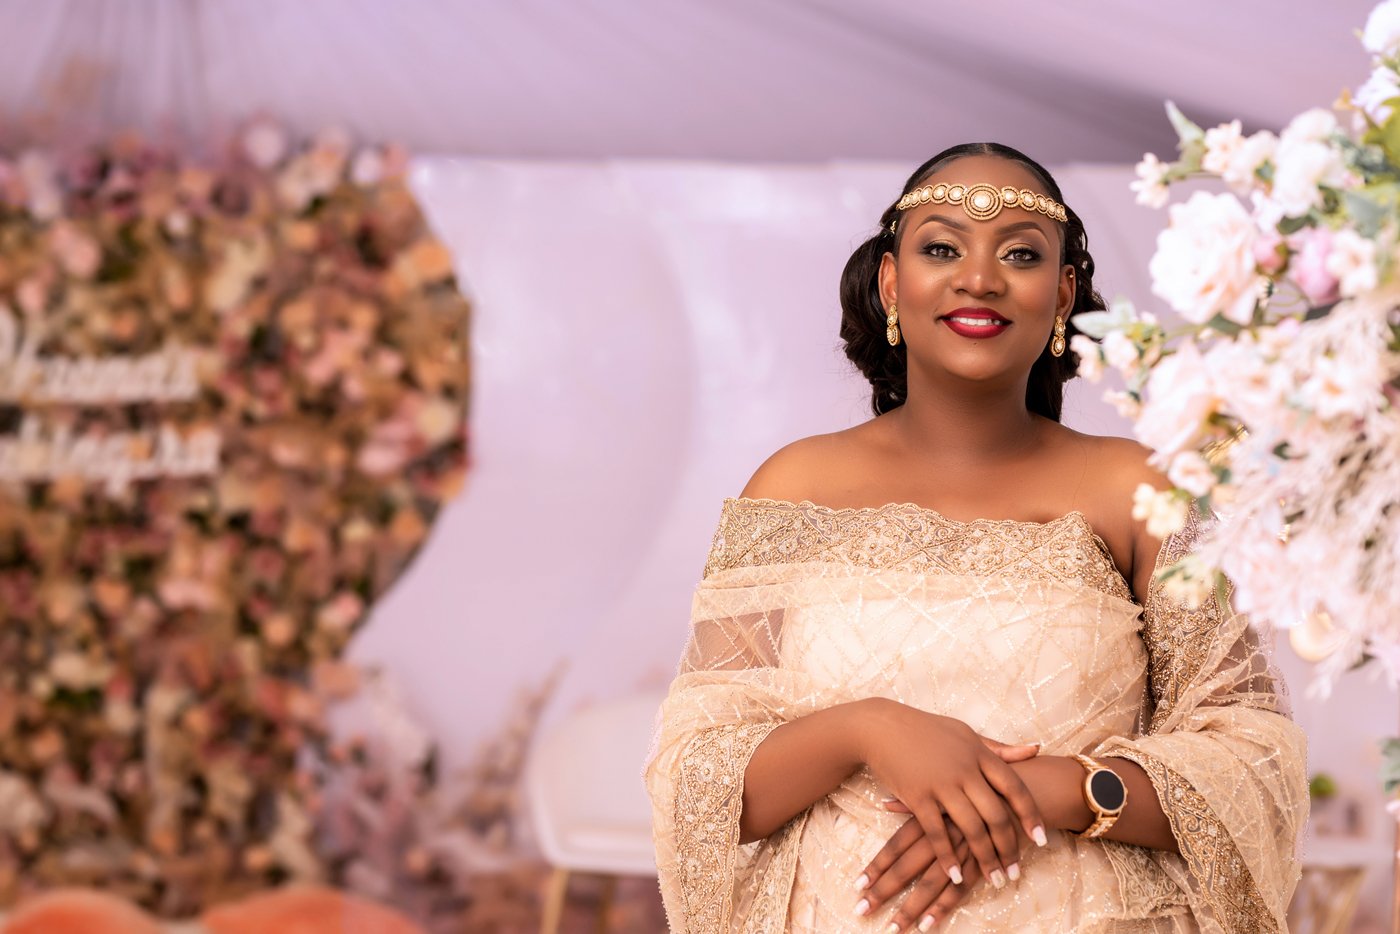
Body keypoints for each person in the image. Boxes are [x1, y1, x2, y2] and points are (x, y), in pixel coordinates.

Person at [643, 142, 1308, 932]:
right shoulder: (795, 486)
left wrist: (1058, 789)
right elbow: (698, 782)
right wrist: (871, 728)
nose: (981, 278)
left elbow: (1253, 761)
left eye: (1021, 254)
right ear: (892, 283)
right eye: (941, 248)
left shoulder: (1139, 492)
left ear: (1063, 294)